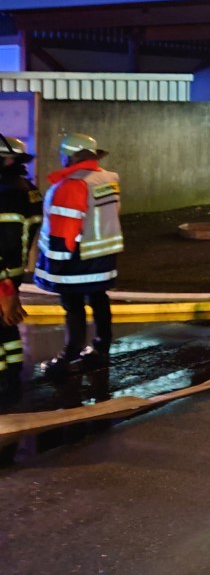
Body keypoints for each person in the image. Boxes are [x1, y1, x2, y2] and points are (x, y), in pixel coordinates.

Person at [32, 133, 122, 378]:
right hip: (102, 253)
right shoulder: (107, 179)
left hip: (77, 259)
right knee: (98, 298)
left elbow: (64, 231)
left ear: (70, 155)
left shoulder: (71, 185)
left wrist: (56, 265)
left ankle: (69, 356)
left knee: (73, 305)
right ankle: (101, 348)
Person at [1, 136, 41, 446]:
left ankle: (6, 384)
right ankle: (13, 377)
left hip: (2, 273)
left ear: (8, 160)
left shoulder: (6, 194)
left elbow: (7, 240)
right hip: (14, 273)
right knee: (7, 324)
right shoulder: (29, 191)